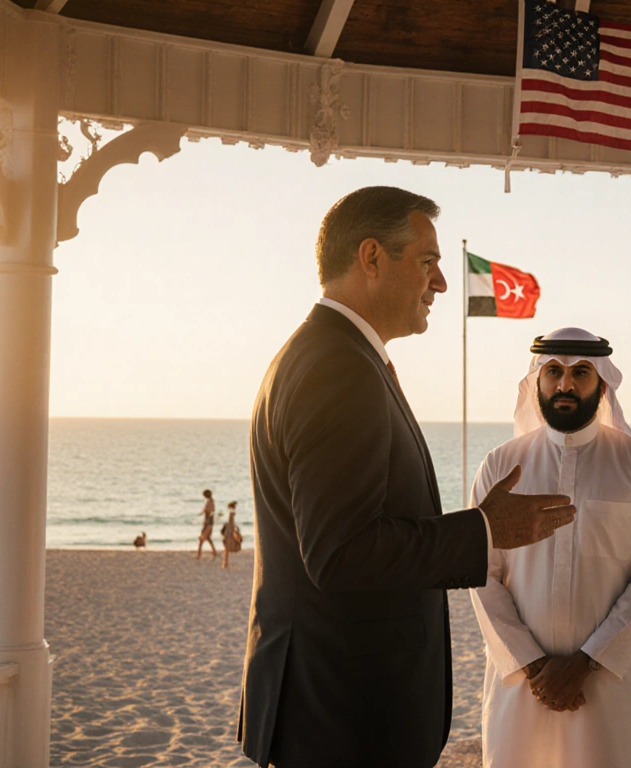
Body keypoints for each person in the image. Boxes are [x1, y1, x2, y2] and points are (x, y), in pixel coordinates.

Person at [238, 186, 576, 768]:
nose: (440, 283)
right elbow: (341, 553)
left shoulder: (331, 354)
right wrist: (483, 531)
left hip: (332, 709)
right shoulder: (338, 368)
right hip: (343, 721)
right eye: (427, 262)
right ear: (371, 258)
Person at [470, 328, 631, 768]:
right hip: (522, 689)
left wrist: (587, 662)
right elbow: (480, 573)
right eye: (554, 373)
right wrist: (531, 664)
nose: (565, 385)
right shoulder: (501, 465)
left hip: (608, 689)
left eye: (580, 372)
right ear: (536, 382)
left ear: (601, 384)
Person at [196, 489, 218, 560]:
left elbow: (210, 513)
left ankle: (199, 554)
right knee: (208, 538)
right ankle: (214, 552)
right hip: (209, 522)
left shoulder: (210, 502)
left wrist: (206, 523)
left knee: (201, 539)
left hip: (208, 522)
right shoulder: (210, 502)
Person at [221, 503, 243, 569]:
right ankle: (225, 563)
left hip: (229, 531)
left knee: (226, 548)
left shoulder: (231, 513)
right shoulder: (232, 513)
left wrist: (235, 528)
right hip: (229, 530)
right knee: (227, 548)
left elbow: (231, 522)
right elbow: (232, 523)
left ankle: (225, 563)